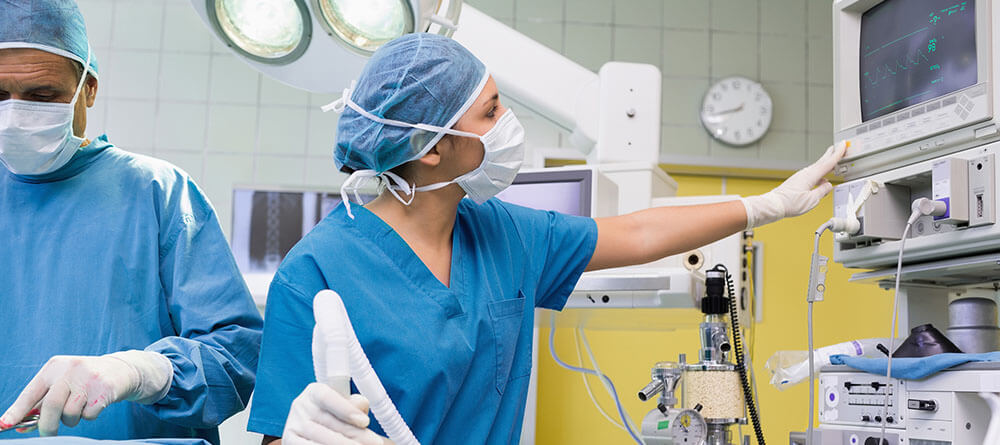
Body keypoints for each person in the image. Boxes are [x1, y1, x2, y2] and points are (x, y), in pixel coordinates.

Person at [247, 33, 847, 445]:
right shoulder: (315, 272)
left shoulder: (501, 232)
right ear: (432, 149)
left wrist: (764, 206)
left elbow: (636, 233)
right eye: (491, 113)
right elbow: (280, 434)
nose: (507, 126)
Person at [0, 1, 263, 442]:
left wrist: (141, 372)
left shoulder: (159, 193)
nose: (15, 114)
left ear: (88, 89)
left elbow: (234, 359)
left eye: (42, 96)